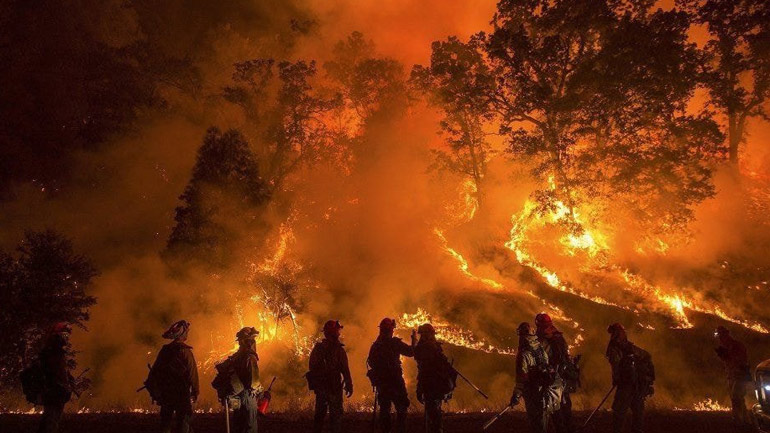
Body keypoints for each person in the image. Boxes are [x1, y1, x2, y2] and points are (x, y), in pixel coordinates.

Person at [147, 320, 199, 433]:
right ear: (182, 334)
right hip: (181, 393)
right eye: (186, 332)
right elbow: (192, 373)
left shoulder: (165, 350)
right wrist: (195, 391)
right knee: (183, 422)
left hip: (166, 393)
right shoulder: (185, 352)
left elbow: (155, 370)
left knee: (165, 423)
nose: (187, 334)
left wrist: (154, 389)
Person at [367, 318, 416, 433]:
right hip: (395, 382)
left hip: (382, 383)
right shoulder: (394, 343)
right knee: (402, 407)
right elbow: (411, 352)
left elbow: (371, 362)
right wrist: (414, 340)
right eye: (392, 329)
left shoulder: (376, 346)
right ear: (390, 330)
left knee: (384, 409)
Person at [511, 322, 561, 433]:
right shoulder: (540, 348)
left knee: (536, 424)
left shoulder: (523, 354)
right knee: (544, 422)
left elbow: (522, 378)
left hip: (533, 393)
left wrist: (516, 395)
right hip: (545, 393)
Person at [606, 323, 654, 433]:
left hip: (628, 384)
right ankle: (636, 430)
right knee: (637, 409)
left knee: (620, 410)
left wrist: (616, 379)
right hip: (635, 383)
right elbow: (646, 355)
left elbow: (615, 365)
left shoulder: (616, 348)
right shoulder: (627, 347)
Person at [308, 320, 353, 433]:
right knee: (336, 417)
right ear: (333, 332)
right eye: (337, 330)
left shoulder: (318, 348)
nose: (339, 332)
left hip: (322, 387)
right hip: (334, 387)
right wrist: (349, 384)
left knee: (320, 415)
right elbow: (345, 369)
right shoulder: (338, 349)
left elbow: (312, 366)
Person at [535, 313, 574, 433]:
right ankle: (568, 428)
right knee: (564, 404)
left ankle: (561, 429)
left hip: (552, 377)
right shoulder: (558, 336)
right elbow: (565, 355)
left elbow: (542, 358)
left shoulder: (542, 339)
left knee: (553, 406)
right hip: (563, 375)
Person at [414, 323, 455, 433]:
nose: (423, 336)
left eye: (424, 334)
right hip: (435, 386)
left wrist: (419, 388)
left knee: (433, 416)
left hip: (431, 386)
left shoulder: (427, 348)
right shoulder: (434, 347)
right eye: (422, 334)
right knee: (435, 415)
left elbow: (424, 371)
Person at [36, 323, 75, 433]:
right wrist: (64, 384)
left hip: (53, 389)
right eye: (64, 335)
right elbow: (56, 372)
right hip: (55, 389)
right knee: (52, 418)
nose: (66, 338)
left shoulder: (51, 352)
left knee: (49, 417)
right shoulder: (54, 353)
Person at [715, 326, 751, 427]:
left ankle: (737, 419)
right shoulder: (725, 347)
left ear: (726, 335)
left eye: (721, 336)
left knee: (736, 396)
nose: (720, 339)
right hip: (732, 376)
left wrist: (728, 356)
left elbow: (741, 360)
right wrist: (724, 357)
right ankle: (745, 420)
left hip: (740, 375)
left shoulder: (736, 345)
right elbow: (728, 363)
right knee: (737, 398)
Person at [231, 327, 262, 433]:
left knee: (238, 424)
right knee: (250, 426)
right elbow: (254, 382)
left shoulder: (236, 356)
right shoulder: (250, 357)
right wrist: (260, 391)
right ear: (248, 341)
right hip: (247, 396)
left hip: (235, 396)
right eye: (253, 340)